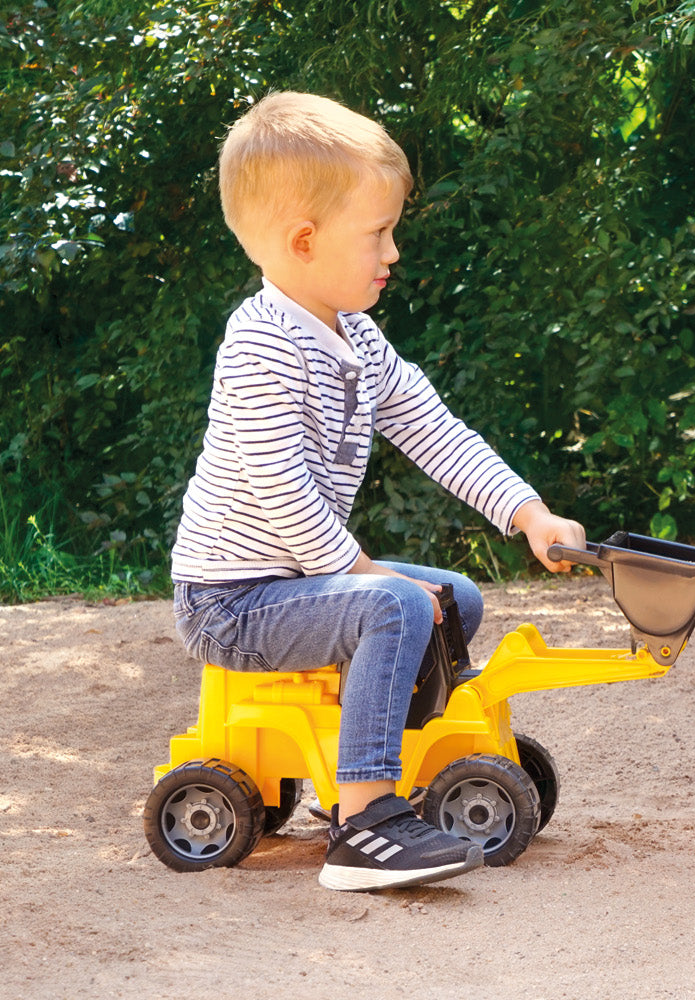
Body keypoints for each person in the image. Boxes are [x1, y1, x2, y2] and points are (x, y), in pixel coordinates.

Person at [170, 92, 587, 891]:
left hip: (292, 585)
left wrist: (527, 511)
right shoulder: (260, 345)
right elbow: (281, 485)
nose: (392, 251)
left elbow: (436, 432)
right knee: (395, 604)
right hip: (230, 601)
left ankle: (409, 750)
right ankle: (363, 822)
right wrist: (364, 575)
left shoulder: (356, 337)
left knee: (452, 597)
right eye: (376, 234)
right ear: (304, 240)